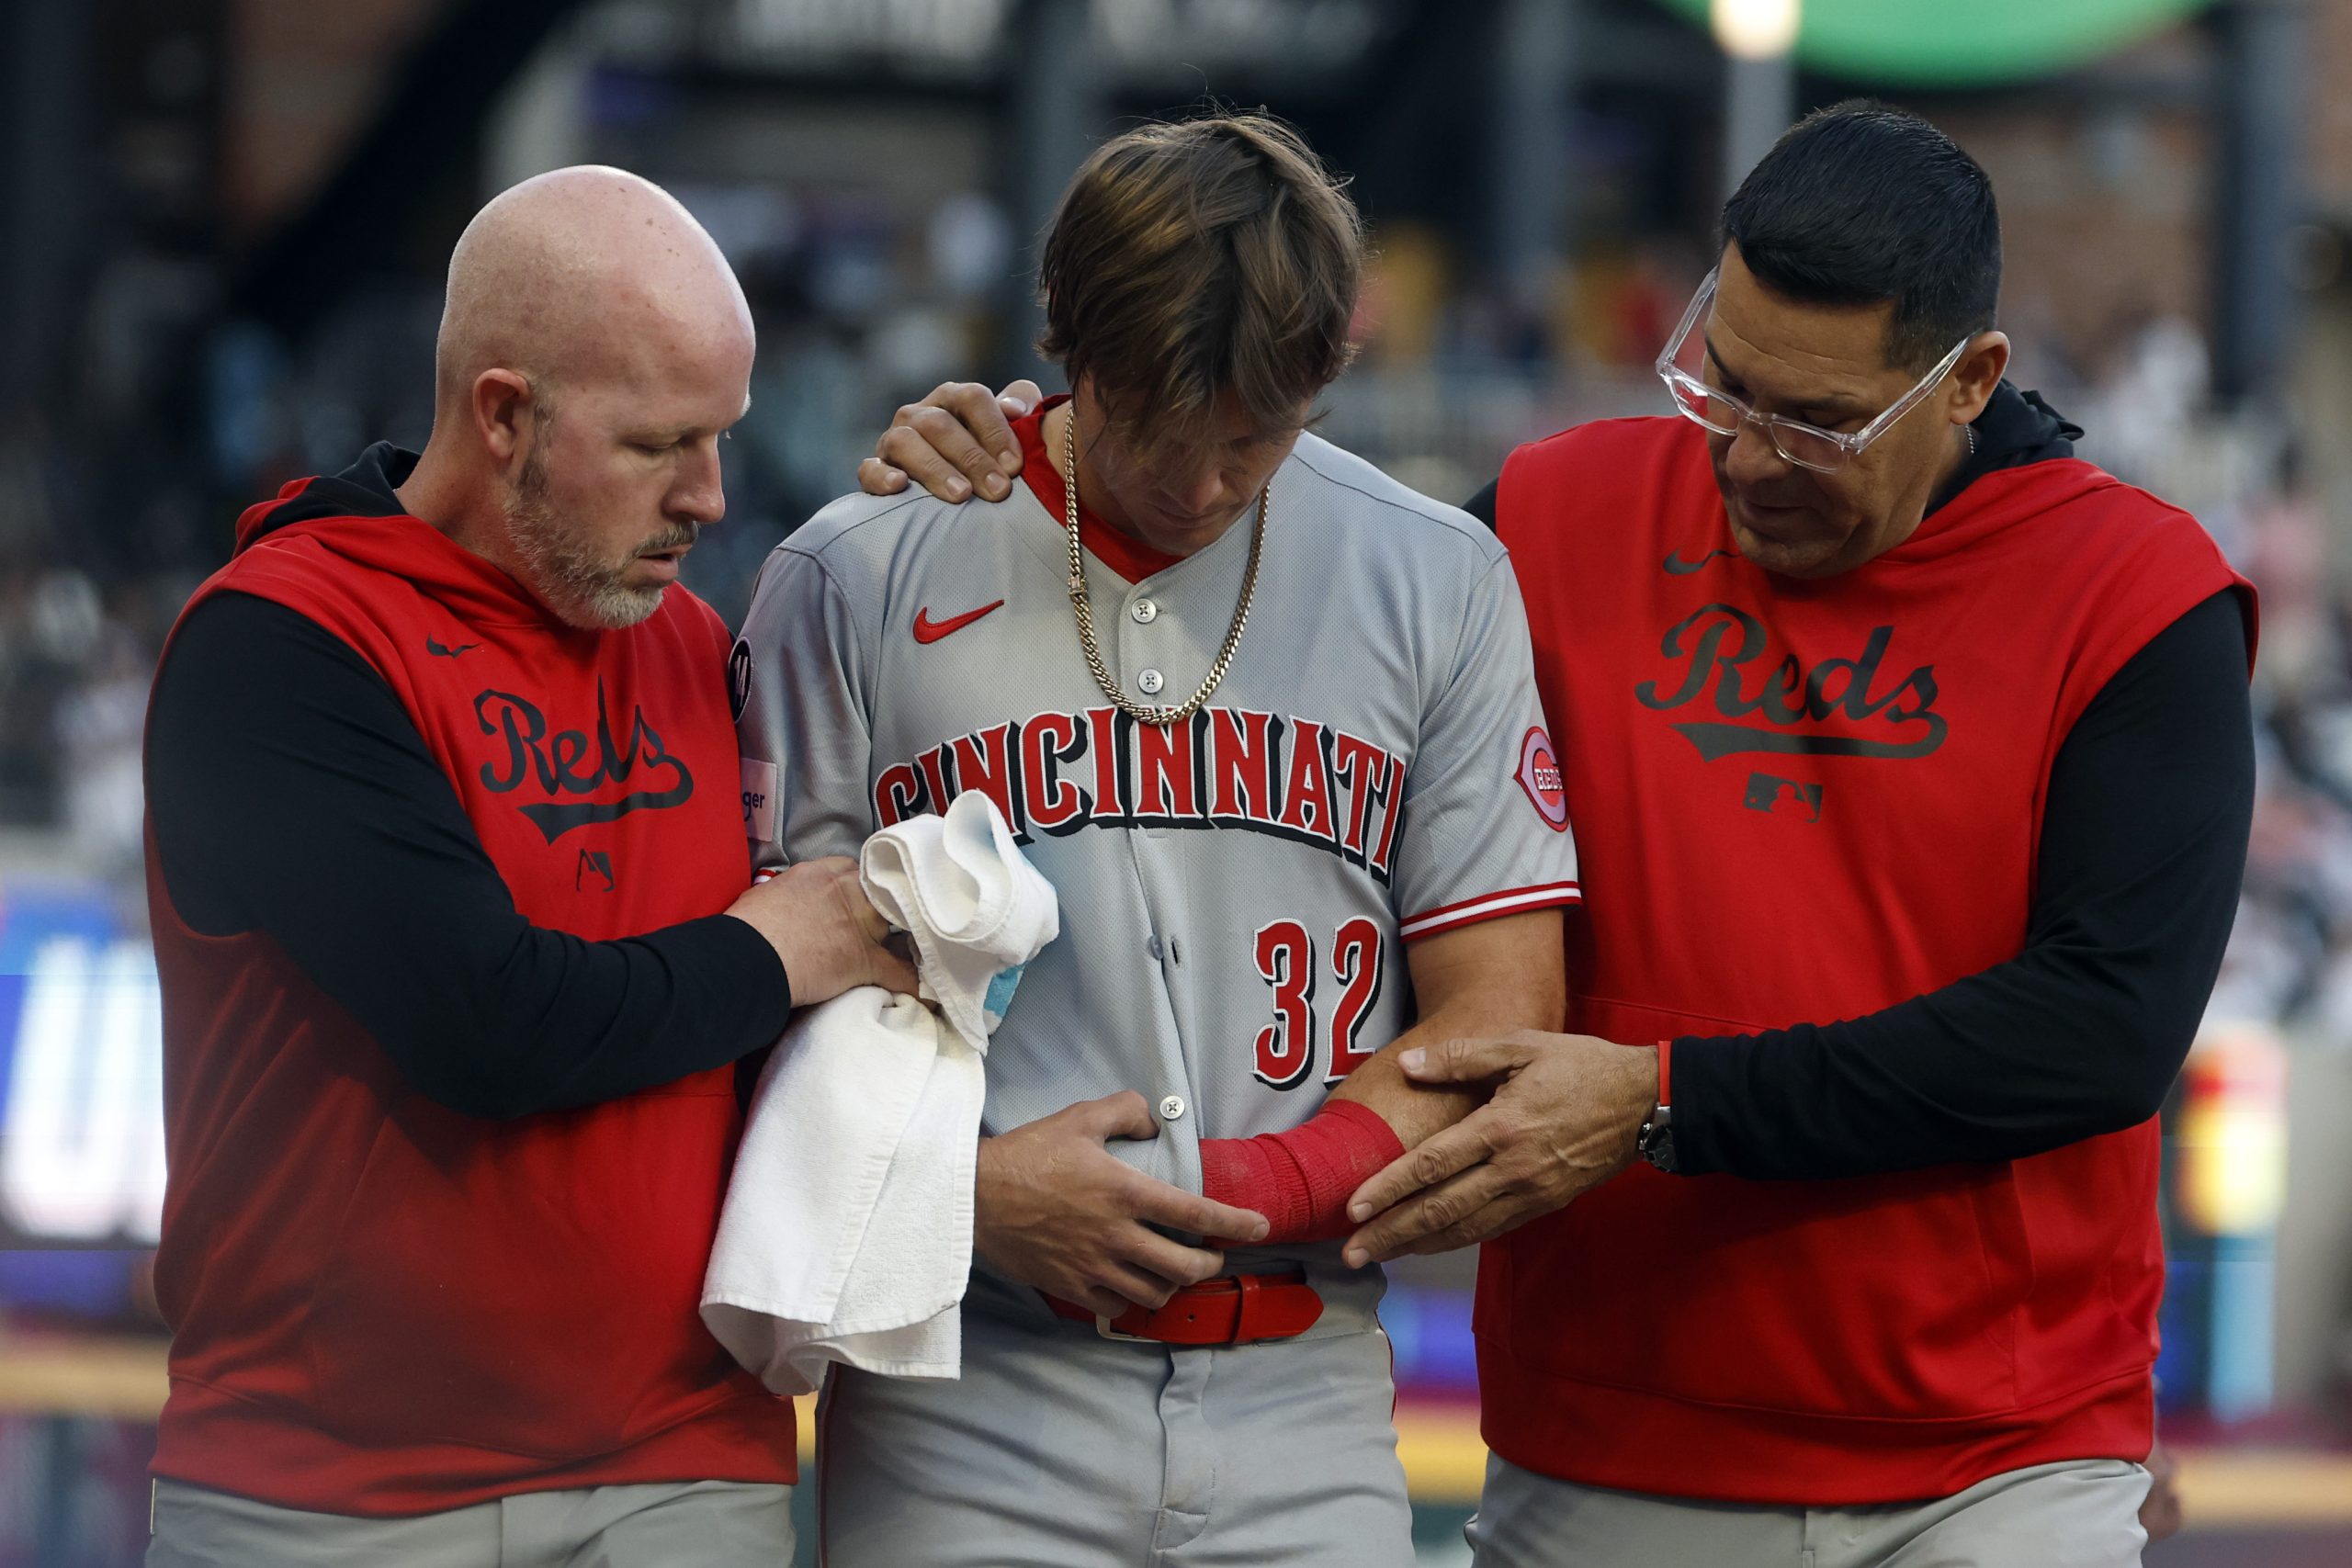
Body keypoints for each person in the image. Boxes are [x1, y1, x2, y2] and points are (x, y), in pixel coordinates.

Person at [864, 103, 2251, 1567]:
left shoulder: (2140, 595)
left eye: (1821, 424)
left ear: (1971, 380)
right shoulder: (1546, 510)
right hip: (1601, 1447)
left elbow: (2103, 1033)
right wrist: (1032, 458)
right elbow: (1215, 614)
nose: (1750, 458)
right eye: (1727, 386)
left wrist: (1667, 1098)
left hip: (1993, 1464)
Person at [735, 114, 1578, 1568]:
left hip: (1310, 1387)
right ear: (1066, 348)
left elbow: (1501, 1023)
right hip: (967, 1386)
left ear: (1325, 374)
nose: (1198, 486)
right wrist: (965, 1199)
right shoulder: (853, 570)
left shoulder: (1438, 574)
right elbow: (760, 1003)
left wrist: (1257, 1192)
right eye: (1152, 426)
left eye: (1252, 439)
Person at [141, 166, 913, 1565]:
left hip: (689, 1467)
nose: (711, 494)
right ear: (502, 415)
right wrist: (774, 948)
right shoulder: (279, 644)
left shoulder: (688, 640)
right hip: (328, 1503)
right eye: (659, 443)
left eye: (723, 436)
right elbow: (480, 1022)